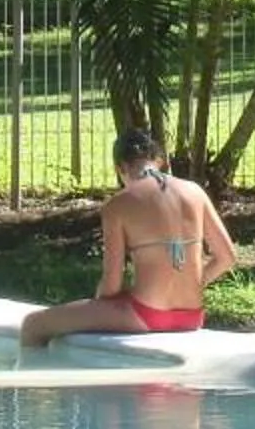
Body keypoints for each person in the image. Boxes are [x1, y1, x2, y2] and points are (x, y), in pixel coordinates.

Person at [20, 128, 236, 343]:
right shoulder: (195, 191)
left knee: (33, 325)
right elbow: (226, 257)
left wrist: (99, 308)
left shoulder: (118, 205)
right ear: (160, 161)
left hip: (146, 314)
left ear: (120, 167)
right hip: (192, 316)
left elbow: (112, 282)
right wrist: (194, 284)